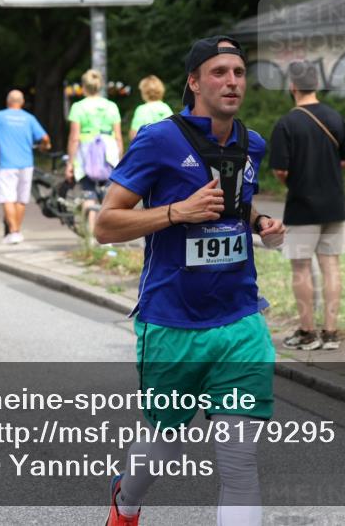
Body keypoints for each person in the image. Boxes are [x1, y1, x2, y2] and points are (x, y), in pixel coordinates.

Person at [95, 35, 285, 526]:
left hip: (240, 321)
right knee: (165, 440)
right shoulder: (160, 139)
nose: (232, 82)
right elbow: (106, 224)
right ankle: (126, 502)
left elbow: (236, 208)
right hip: (172, 322)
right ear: (194, 81)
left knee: (239, 464)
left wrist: (260, 224)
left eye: (239, 73)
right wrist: (177, 212)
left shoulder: (251, 143)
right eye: (219, 72)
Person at [270, 60, 345, 351]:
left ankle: (308, 332)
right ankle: (331, 333)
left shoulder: (286, 123)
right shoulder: (335, 117)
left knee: (301, 268)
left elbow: (280, 169)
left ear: (292, 87)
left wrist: (299, 181)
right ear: (316, 84)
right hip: (334, 205)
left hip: (302, 206)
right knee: (331, 266)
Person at [0, 90, 50, 244]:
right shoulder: (29, 118)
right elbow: (45, 138)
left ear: (8, 101)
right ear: (22, 102)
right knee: (21, 199)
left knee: (7, 199)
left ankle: (13, 232)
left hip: (7, 164)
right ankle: (17, 231)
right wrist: (44, 147)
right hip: (26, 163)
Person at [65, 69, 123, 240]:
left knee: (88, 193)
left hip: (86, 154)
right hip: (108, 153)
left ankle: (91, 238)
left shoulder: (78, 107)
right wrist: (119, 159)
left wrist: (70, 163)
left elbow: (74, 138)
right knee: (108, 196)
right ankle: (108, 239)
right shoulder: (111, 106)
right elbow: (118, 136)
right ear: (100, 86)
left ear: (83, 87)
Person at [127, 74, 173, 142]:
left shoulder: (141, 109)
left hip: (147, 147)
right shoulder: (166, 108)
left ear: (144, 92)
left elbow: (134, 134)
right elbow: (173, 131)